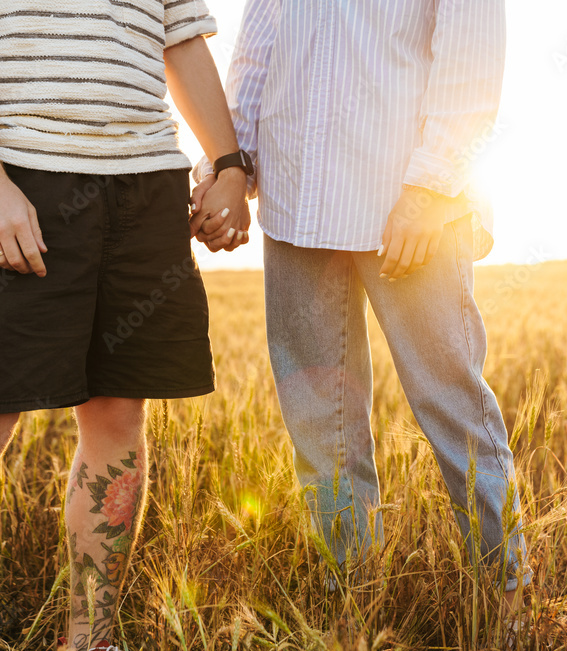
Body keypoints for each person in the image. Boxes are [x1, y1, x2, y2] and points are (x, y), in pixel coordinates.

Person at [0, 0, 251, 651]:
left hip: (146, 185)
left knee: (117, 417)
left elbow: (181, 36)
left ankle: (91, 648)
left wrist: (228, 164)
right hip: (20, 180)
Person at [191, 0, 531, 608]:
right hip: (296, 198)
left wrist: (428, 189)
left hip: (409, 206)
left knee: (449, 400)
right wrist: (233, 166)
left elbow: (470, 55)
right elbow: (257, 50)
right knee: (320, 421)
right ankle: (351, 598)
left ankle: (506, 599)